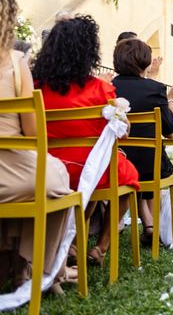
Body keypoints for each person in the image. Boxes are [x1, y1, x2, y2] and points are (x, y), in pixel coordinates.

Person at [32, 15, 140, 267]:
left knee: (100, 169)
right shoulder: (100, 89)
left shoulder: (35, 87)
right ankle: (100, 247)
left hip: (46, 171)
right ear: (88, 52)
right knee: (128, 176)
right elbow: (123, 131)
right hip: (89, 170)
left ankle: (72, 243)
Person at [0, 0, 74, 291]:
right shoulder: (16, 63)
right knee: (57, 179)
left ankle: (14, 263)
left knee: (39, 178)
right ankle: (41, 269)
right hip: (12, 174)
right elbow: (31, 133)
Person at [111, 38, 173, 245]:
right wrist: (170, 101)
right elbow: (169, 129)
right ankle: (150, 224)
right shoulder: (155, 88)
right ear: (145, 62)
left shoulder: (109, 88)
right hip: (151, 166)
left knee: (133, 160)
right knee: (145, 160)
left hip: (116, 162)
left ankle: (147, 223)